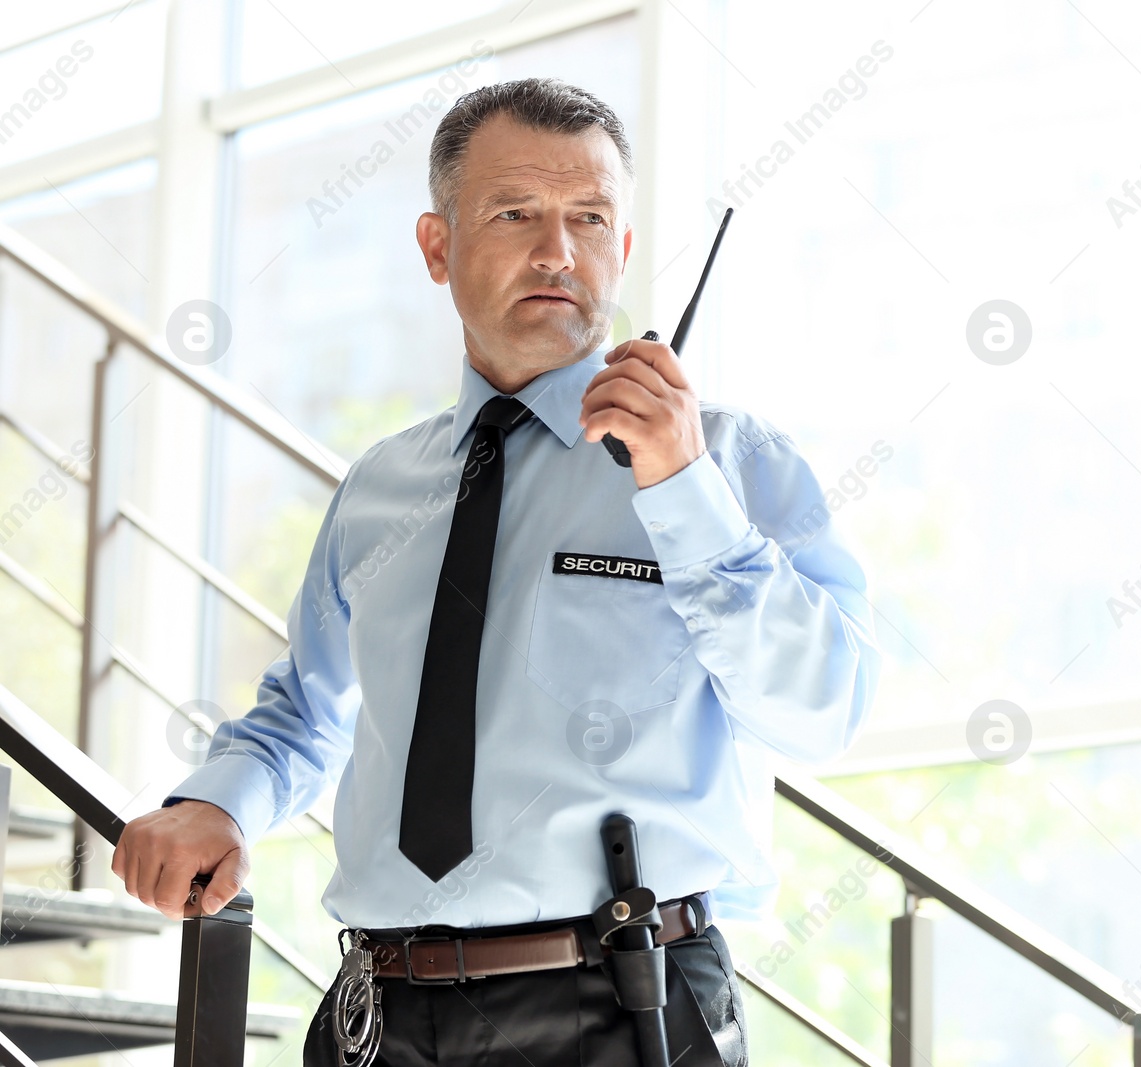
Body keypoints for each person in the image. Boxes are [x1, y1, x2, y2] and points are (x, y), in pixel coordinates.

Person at [109, 77, 881, 1066]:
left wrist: (682, 490)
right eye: (516, 213)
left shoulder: (729, 463)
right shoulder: (381, 486)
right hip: (376, 1014)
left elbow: (827, 710)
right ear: (437, 246)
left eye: (590, 218)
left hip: (621, 1006)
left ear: (625, 249)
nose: (558, 250)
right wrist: (216, 799)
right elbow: (304, 709)